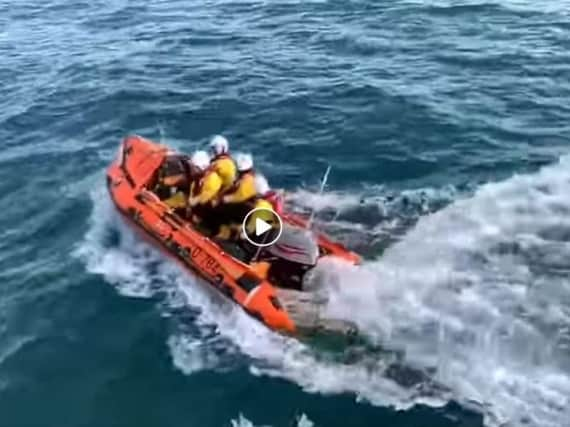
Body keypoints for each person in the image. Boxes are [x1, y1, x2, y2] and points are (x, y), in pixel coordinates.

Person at [187, 150, 222, 227]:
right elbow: (193, 190)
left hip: (210, 213)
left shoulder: (213, 179)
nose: (191, 169)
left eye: (194, 167)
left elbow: (205, 197)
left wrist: (194, 201)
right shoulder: (198, 178)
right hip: (198, 208)